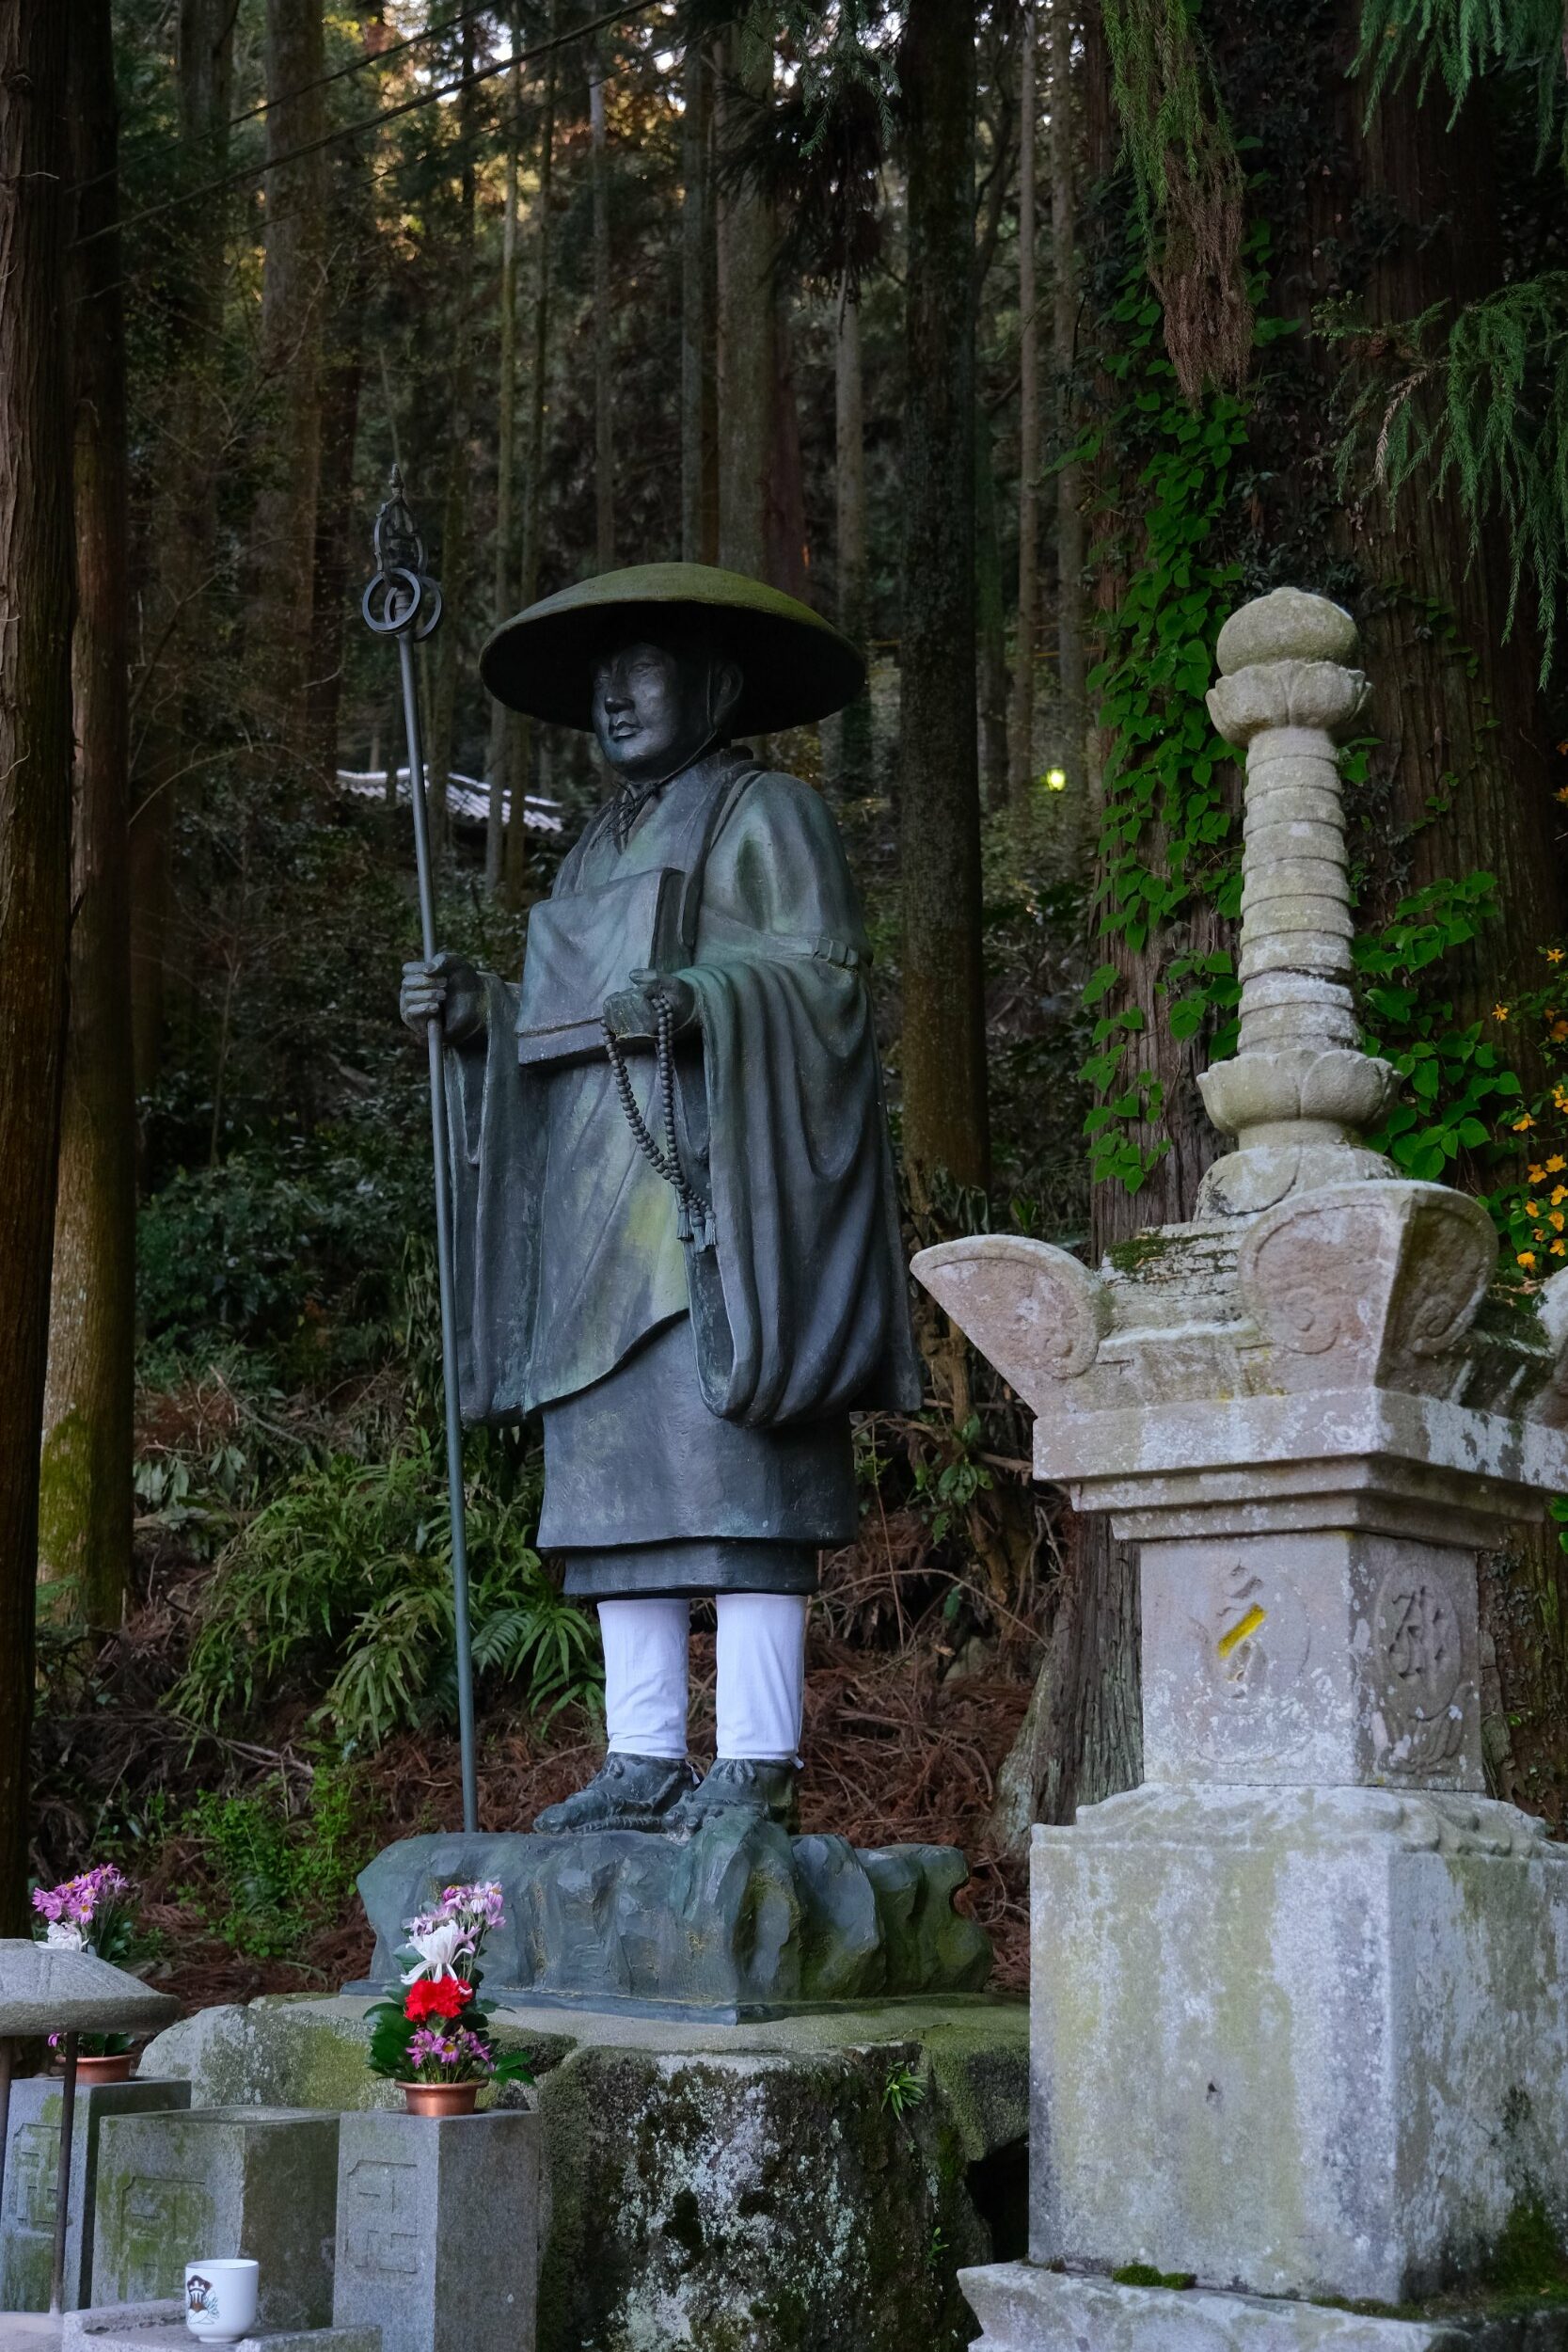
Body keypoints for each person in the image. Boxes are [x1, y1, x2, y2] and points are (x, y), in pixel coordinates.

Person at [400, 564, 920, 1835]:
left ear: (718, 684)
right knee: (615, 1485)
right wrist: (479, 1021)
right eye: (603, 678)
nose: (614, 697)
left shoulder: (767, 814)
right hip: (591, 1197)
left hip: (712, 1197)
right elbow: (555, 1030)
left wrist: (709, 998)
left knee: (736, 1478)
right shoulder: (590, 849)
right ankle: (642, 1756)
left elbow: (828, 984)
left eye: (643, 669)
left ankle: (751, 1758)